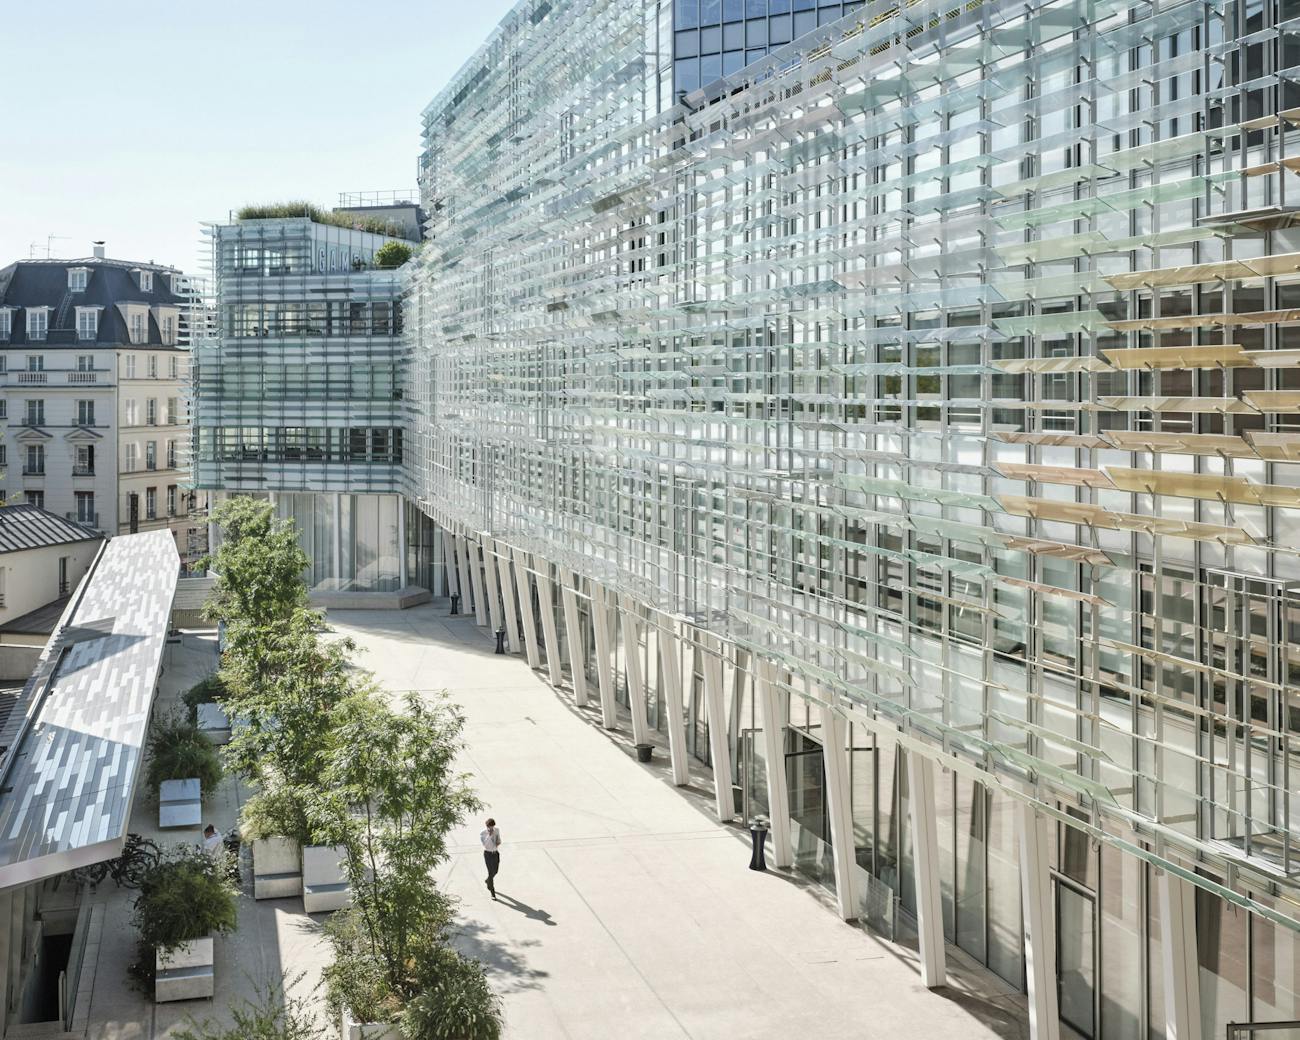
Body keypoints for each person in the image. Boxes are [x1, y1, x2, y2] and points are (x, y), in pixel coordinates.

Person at [480, 818, 501, 899]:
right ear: (487, 826)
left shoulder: (497, 830)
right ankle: (492, 892)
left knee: (495, 871)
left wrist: (498, 842)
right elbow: (485, 845)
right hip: (488, 854)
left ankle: (488, 880)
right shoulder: (483, 833)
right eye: (490, 827)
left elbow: (498, 839)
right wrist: (490, 835)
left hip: (495, 853)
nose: (491, 828)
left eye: (493, 827)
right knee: (490, 872)